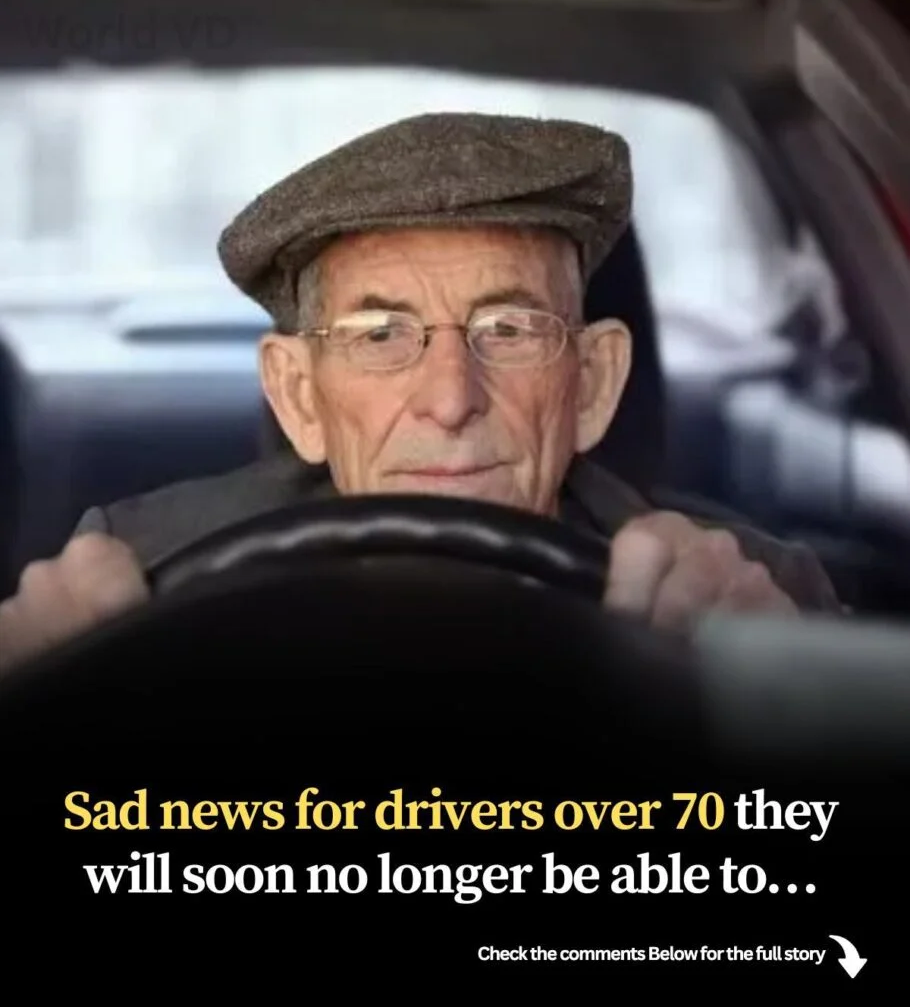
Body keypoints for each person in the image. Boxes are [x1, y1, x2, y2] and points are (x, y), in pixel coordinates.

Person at [0, 112, 842, 671]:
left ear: (591, 382)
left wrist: (789, 693)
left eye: (508, 330)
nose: (449, 399)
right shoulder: (129, 582)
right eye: (380, 335)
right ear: (299, 396)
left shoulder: (751, 596)